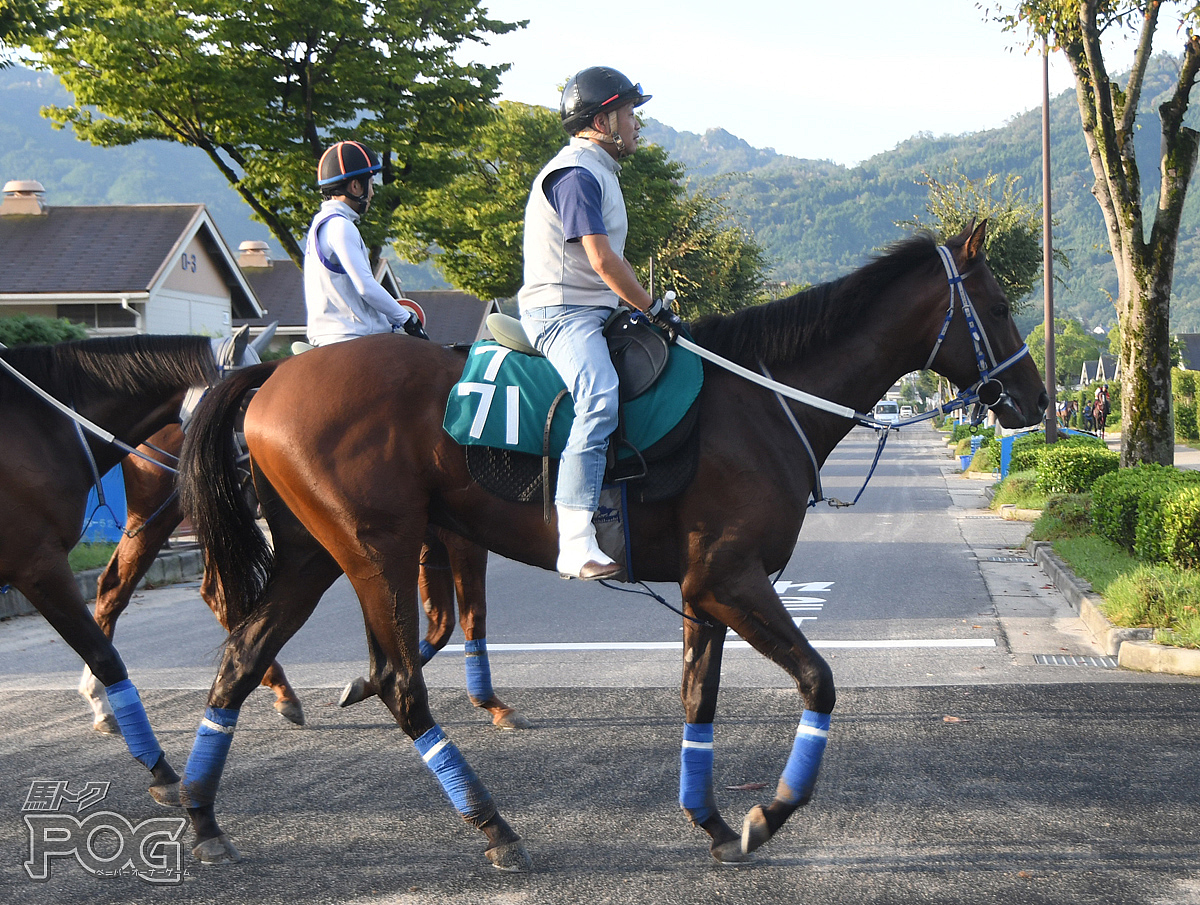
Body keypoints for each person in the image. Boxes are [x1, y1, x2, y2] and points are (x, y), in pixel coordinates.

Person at [517, 66, 677, 580]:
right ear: (603, 119)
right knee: (600, 393)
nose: (636, 124)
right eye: (630, 113)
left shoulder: (599, 170)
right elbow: (604, 262)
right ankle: (575, 543)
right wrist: (649, 307)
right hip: (560, 313)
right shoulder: (576, 175)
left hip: (597, 309)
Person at [304, 139, 428, 346]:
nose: (371, 193)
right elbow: (365, 287)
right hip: (353, 336)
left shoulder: (319, 223)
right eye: (370, 185)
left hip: (324, 336)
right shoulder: (341, 226)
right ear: (355, 186)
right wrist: (407, 319)